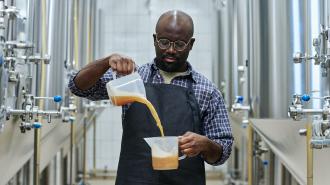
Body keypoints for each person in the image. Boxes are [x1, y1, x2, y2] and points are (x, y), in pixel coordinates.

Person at [69, 10, 233, 185]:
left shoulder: (207, 91)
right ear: (154, 40)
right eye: (163, 42)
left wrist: (206, 144)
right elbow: (78, 87)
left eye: (179, 44)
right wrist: (105, 62)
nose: (170, 50)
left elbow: (223, 151)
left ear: (191, 44)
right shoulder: (132, 79)